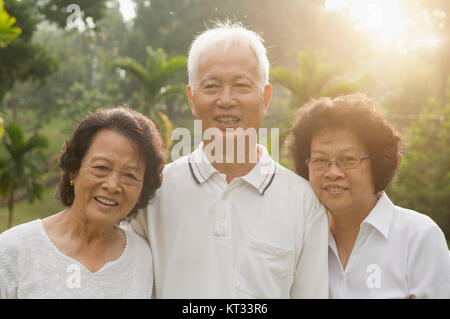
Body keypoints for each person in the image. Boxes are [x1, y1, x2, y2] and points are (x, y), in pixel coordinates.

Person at [125, 21, 329, 298]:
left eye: (241, 85)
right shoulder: (152, 194)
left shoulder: (304, 203)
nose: (226, 99)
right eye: (211, 86)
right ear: (192, 99)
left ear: (265, 98)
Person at [287, 92, 450, 298]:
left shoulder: (418, 237)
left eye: (348, 159)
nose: (333, 172)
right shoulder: (299, 241)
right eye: (320, 160)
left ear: (377, 163)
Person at [0, 106, 165, 298]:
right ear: (73, 170)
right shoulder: (13, 250)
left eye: (129, 175)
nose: (112, 186)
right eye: (101, 167)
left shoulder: (142, 258)